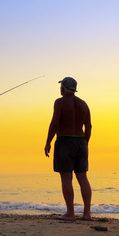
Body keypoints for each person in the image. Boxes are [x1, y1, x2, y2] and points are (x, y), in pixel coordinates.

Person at [44, 77, 92, 221]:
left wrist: (48, 142)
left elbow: (54, 124)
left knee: (66, 178)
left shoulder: (60, 102)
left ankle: (70, 213)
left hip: (65, 141)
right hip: (80, 141)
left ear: (63, 88)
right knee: (83, 178)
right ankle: (87, 214)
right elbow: (88, 127)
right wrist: (85, 143)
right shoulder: (83, 104)